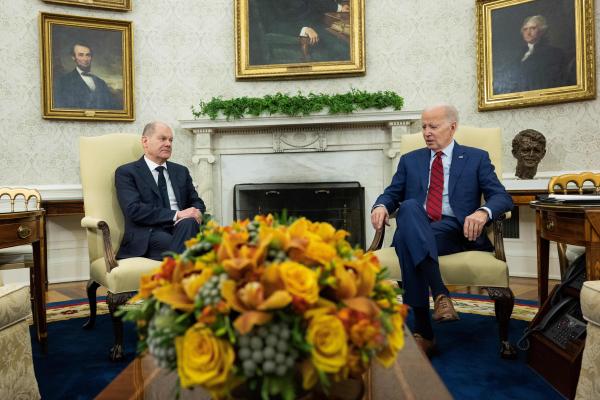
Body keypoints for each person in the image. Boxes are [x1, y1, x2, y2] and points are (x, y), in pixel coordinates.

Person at [371, 104, 513, 357]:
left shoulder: (475, 157)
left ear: (452, 127)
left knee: (405, 239)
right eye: (424, 126)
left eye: (433, 126)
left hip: (454, 230)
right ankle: (440, 294)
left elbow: (501, 197)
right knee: (411, 207)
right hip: (419, 224)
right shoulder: (410, 160)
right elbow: (392, 194)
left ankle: (424, 332)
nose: (426, 132)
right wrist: (381, 205)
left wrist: (483, 212)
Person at [115, 121, 206, 261]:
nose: (168, 144)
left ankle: (173, 277)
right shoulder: (127, 172)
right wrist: (177, 214)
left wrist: (196, 212)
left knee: (189, 224)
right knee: (191, 246)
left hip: (181, 228)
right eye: (162, 139)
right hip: (148, 233)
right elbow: (134, 210)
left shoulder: (181, 171)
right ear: (145, 141)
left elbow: (196, 201)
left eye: (171, 140)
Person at [251, 0, 350, 64]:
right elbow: (271, 25)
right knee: (343, 50)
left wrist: (339, 8)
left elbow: (315, 2)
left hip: (318, 26)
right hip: (298, 36)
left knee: (347, 44)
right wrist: (303, 29)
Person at [496, 15, 574, 94]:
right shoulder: (517, 54)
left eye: (533, 28)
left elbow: (553, 82)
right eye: (525, 29)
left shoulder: (554, 53)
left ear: (542, 31)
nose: (528, 33)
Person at [54, 42, 121, 110]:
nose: (85, 59)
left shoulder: (101, 83)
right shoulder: (63, 82)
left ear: (91, 57)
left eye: (88, 55)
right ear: (73, 57)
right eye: (81, 55)